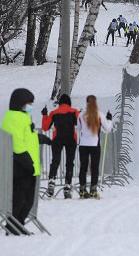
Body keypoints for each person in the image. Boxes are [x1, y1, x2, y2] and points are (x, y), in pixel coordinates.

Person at [2, 89, 43, 235]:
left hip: (27, 166)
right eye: (29, 103)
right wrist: (29, 163)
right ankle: (13, 227)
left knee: (27, 201)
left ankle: (17, 225)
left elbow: (26, 138)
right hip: (22, 167)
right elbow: (17, 144)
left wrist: (39, 138)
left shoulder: (22, 117)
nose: (30, 106)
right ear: (20, 103)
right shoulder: (15, 118)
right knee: (21, 200)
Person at [42, 94, 79, 198]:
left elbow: (45, 127)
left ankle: (51, 180)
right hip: (71, 139)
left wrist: (45, 115)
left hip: (57, 139)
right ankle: (67, 185)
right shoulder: (74, 111)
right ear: (69, 102)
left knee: (55, 160)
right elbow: (80, 123)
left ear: (60, 103)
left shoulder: (54, 113)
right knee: (69, 162)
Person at [76, 96, 112, 199]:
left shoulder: (81, 114)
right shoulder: (99, 114)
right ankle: (93, 190)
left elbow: (78, 128)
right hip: (94, 144)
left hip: (83, 144)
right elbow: (108, 128)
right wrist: (109, 119)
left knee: (83, 167)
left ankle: (82, 190)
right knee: (94, 168)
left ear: (86, 102)